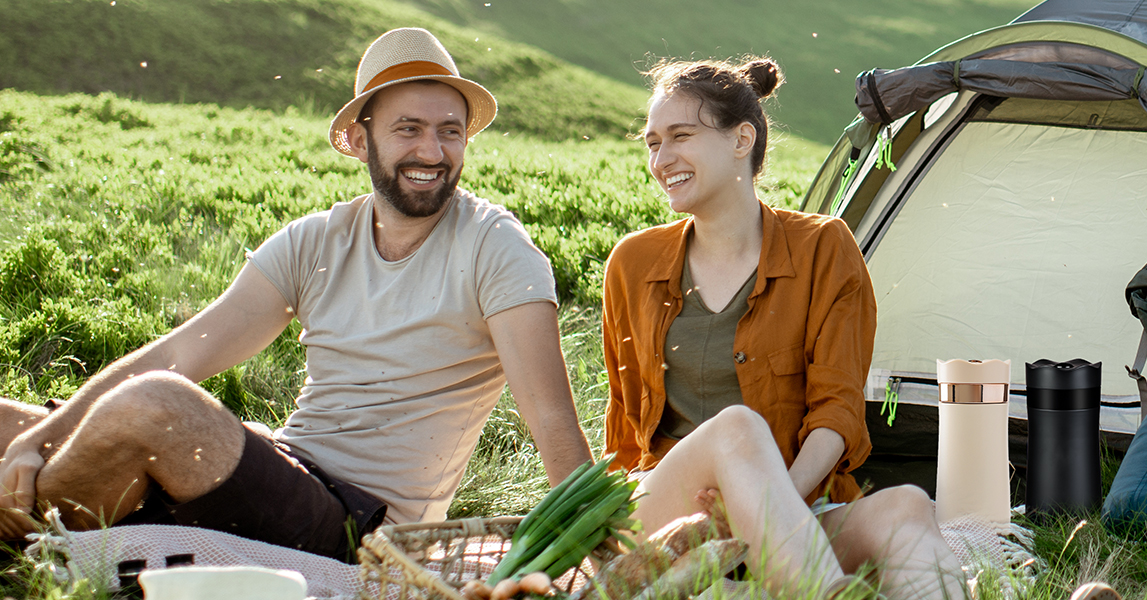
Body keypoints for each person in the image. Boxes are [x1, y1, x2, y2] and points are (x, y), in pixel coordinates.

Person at [0, 28, 592, 562]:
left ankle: (27, 528)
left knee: (158, 406)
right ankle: (48, 507)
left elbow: (550, 419)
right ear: (361, 141)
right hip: (283, 469)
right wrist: (35, 439)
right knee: (10, 422)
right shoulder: (317, 240)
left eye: (449, 132)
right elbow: (178, 355)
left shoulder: (496, 247)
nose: (432, 153)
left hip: (357, 526)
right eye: (408, 129)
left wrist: (601, 548)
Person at [601, 57, 967, 599]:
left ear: (740, 139)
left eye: (681, 136)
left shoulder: (824, 248)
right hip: (674, 518)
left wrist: (776, 506)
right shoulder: (633, 263)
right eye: (653, 142)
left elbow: (838, 410)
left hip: (793, 507)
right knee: (736, 429)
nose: (662, 158)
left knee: (906, 506)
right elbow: (624, 426)